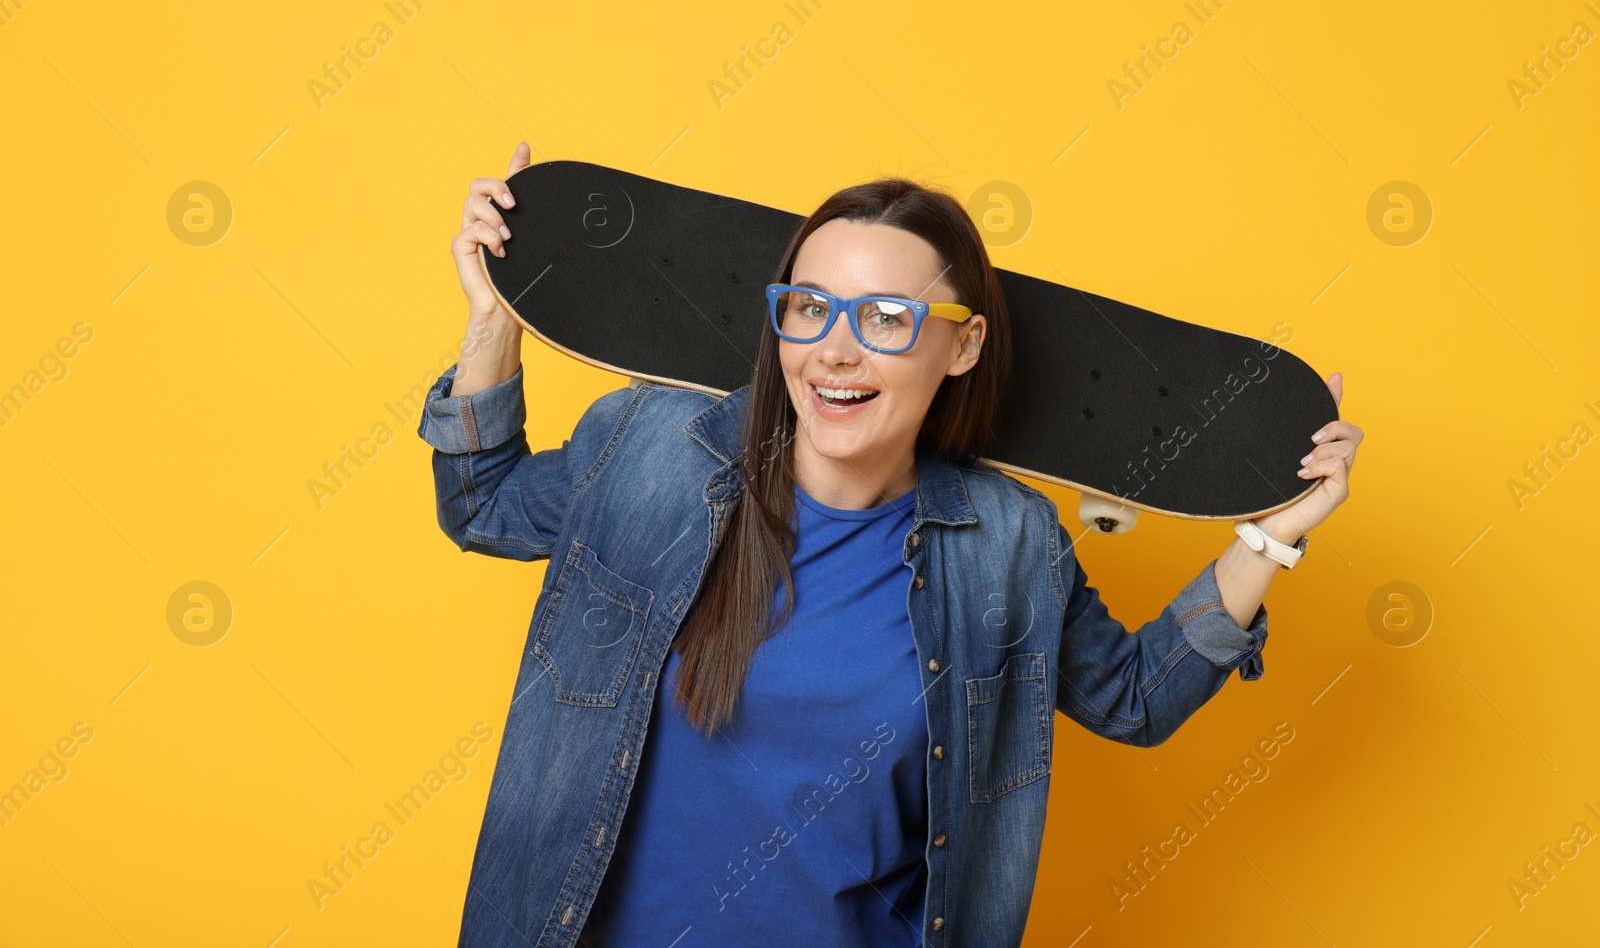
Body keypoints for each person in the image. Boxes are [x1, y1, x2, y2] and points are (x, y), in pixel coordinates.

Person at [420, 142, 1364, 948]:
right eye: (809, 306)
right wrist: (497, 311)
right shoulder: (647, 448)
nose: (835, 350)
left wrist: (1270, 539)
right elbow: (483, 504)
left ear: (960, 346)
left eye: (884, 319)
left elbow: (1133, 699)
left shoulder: (1006, 543)